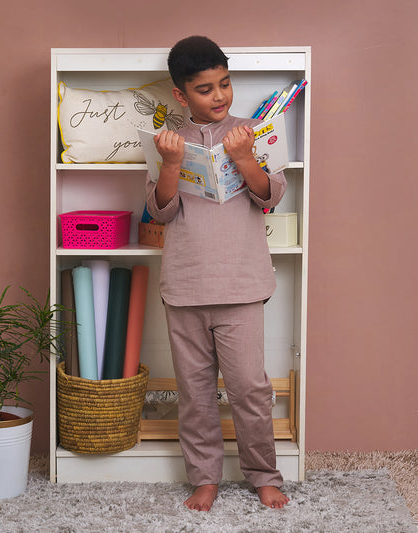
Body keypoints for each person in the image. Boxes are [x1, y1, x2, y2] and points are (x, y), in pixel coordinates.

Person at [145, 36, 290, 512]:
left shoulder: (254, 130)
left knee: (250, 387)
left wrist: (245, 158)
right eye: (205, 89)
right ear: (181, 96)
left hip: (243, 286)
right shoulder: (168, 141)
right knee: (195, 390)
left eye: (225, 84)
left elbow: (271, 196)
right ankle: (204, 478)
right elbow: (161, 214)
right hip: (185, 287)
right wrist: (171, 163)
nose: (220, 96)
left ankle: (264, 474)